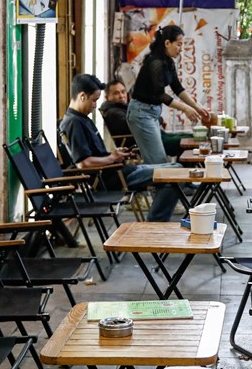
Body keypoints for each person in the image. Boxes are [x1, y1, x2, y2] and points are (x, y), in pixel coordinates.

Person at [60, 74, 181, 222]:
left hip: (121, 171)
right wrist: (112, 158)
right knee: (177, 173)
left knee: (177, 168)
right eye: (94, 100)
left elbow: (95, 155)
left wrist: (114, 154)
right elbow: (83, 163)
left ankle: (156, 220)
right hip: (113, 178)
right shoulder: (74, 123)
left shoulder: (82, 119)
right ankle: (155, 222)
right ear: (82, 96)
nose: (95, 105)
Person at [127, 25, 210, 164]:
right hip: (141, 114)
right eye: (179, 44)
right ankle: (148, 178)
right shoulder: (155, 62)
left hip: (151, 113)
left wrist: (197, 107)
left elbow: (178, 88)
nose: (181, 48)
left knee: (158, 160)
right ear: (167, 43)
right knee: (157, 161)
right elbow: (160, 95)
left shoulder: (168, 61)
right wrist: (185, 108)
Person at [99, 79, 191, 157]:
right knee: (188, 141)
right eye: (116, 93)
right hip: (147, 142)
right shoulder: (113, 113)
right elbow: (140, 123)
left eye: (123, 92)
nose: (121, 96)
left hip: (153, 136)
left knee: (190, 137)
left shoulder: (122, 108)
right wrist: (160, 120)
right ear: (107, 97)